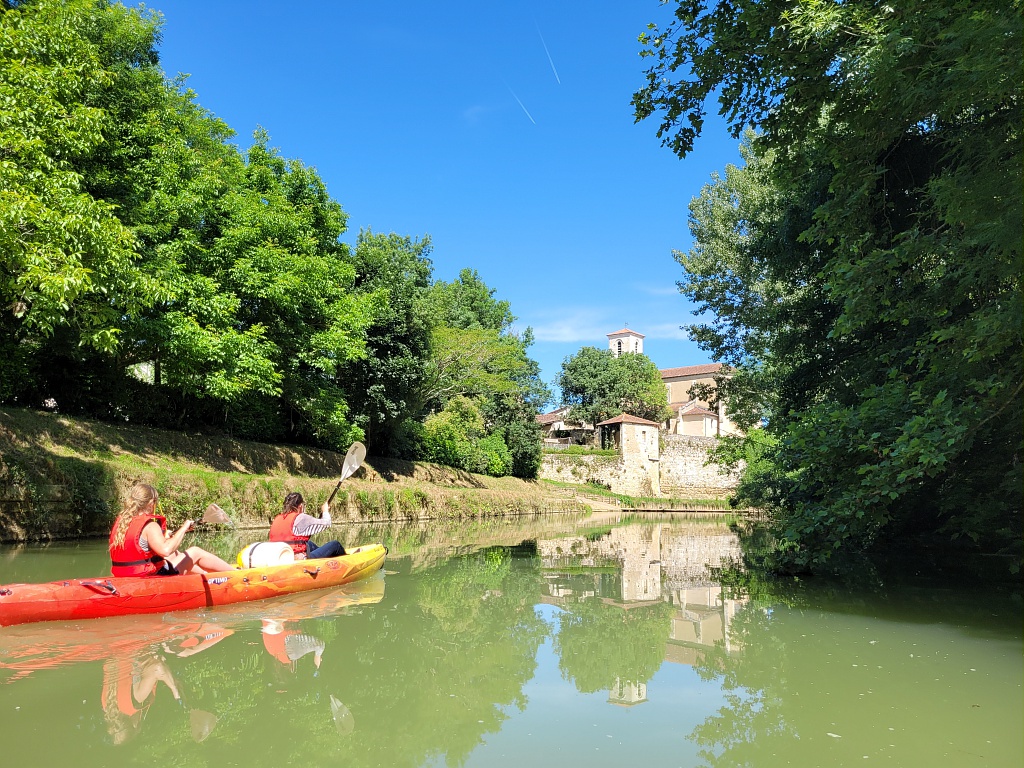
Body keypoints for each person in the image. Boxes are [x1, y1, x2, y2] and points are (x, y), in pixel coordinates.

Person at [109, 483, 235, 576]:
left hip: (125, 575)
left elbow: (142, 547)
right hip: (150, 579)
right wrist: (184, 527)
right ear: (151, 503)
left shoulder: (122, 522)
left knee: (176, 554)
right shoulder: (150, 525)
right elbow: (165, 550)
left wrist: (165, 537)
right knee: (195, 552)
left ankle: (206, 576)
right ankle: (238, 575)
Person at [268, 492, 345, 560]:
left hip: (280, 556)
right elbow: (326, 523)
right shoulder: (301, 518)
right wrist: (325, 511)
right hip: (298, 558)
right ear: (301, 506)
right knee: (335, 544)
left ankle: (327, 558)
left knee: (309, 544)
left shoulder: (277, 518)